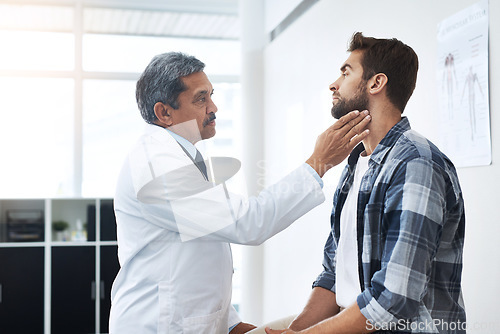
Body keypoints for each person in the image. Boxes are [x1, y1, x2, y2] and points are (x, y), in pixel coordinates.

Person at [108, 52, 372, 334]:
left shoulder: (180, 157)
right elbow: (247, 223)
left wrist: (233, 325)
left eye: (211, 95)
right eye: (201, 99)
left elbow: (198, 264)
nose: (214, 107)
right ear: (164, 113)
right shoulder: (157, 164)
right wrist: (319, 162)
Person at [264, 32, 466, 334]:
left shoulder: (416, 163)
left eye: (346, 72)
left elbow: (394, 299)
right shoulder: (357, 161)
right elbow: (334, 274)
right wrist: (295, 332)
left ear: (376, 83)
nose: (333, 84)